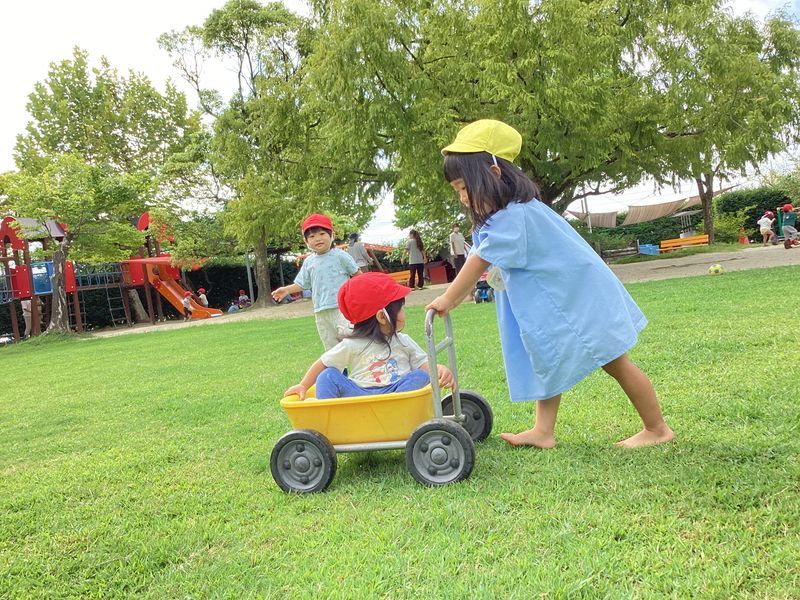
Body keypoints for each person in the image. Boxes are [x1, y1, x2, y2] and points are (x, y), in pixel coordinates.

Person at [426, 119, 674, 449]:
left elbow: (480, 260)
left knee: (616, 361)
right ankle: (543, 431)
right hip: (565, 300)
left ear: (495, 175)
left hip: (579, 300)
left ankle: (657, 428)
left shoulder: (514, 216)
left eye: (463, 187)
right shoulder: (514, 212)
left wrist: (449, 298)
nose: (461, 198)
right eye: (456, 190)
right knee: (546, 359)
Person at [283, 272, 453, 400]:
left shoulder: (403, 341)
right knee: (327, 376)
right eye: (400, 308)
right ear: (381, 317)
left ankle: (394, 412)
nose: (404, 313)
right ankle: (330, 415)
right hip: (360, 397)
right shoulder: (352, 344)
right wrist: (303, 385)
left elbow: (422, 363)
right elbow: (322, 363)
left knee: (421, 376)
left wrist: (437, 370)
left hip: (396, 395)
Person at [272, 213, 360, 350]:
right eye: (312, 236)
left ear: (332, 235)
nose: (317, 239)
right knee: (331, 350)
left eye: (322, 233)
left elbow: (359, 276)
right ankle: (337, 372)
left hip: (342, 309)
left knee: (353, 342)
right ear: (306, 241)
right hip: (321, 311)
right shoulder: (309, 262)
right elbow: (302, 283)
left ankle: (360, 370)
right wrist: (287, 290)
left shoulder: (341, 256)